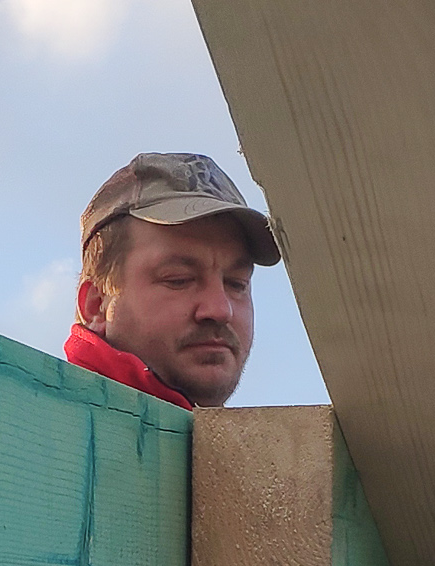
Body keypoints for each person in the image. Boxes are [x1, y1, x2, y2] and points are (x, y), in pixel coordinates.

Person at [64, 152, 280, 409]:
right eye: (179, 280)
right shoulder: (39, 423)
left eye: (237, 284)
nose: (220, 310)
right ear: (96, 306)